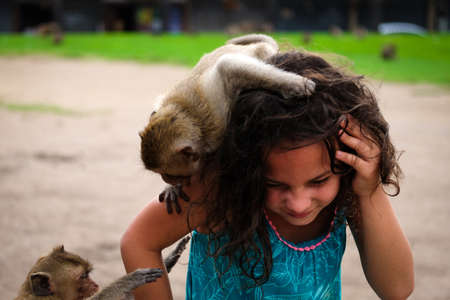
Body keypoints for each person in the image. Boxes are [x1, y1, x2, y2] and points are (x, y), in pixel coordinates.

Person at [120, 51, 414, 299]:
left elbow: (397, 288)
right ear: (244, 166)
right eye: (274, 184)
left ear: (346, 164)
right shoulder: (220, 189)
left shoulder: (349, 189)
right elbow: (139, 242)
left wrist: (369, 189)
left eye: (319, 181)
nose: (298, 204)